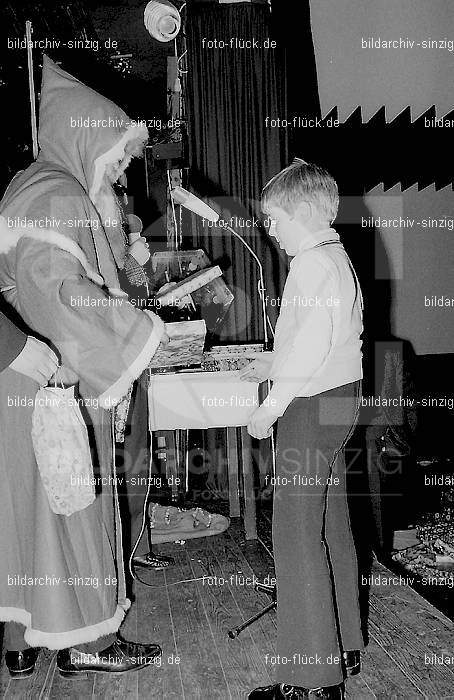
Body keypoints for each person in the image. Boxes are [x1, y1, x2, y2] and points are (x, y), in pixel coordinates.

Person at [0, 55, 167, 678]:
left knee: (27, 517)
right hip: (57, 380)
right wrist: (137, 337)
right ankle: (90, 642)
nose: (121, 170)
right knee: (77, 509)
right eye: (117, 156)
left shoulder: (32, 186)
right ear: (86, 139)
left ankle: (22, 641)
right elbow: (62, 294)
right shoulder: (61, 193)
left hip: (25, 379)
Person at [241, 159, 364, 699]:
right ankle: (345, 646)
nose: (270, 230)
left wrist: (268, 410)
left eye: (273, 219)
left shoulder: (310, 265)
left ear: (302, 213)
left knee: (294, 535)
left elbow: (311, 347)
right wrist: (271, 364)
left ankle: (312, 680)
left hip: (311, 408)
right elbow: (324, 339)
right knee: (329, 521)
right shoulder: (336, 258)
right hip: (341, 400)